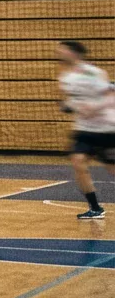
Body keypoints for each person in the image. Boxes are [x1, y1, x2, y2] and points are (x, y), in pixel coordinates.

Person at [57, 40, 112, 222]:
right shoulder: (64, 77)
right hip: (84, 129)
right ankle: (95, 208)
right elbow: (73, 100)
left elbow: (111, 96)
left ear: (74, 53)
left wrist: (94, 108)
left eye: (62, 50)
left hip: (106, 128)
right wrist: (67, 105)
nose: (59, 53)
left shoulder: (94, 73)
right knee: (78, 162)